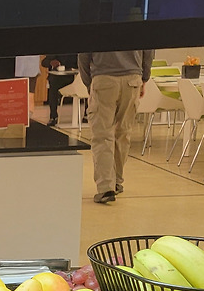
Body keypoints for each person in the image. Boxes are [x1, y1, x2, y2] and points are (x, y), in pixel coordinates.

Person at [77, 50, 153, 204]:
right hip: (133, 78)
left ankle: (106, 187)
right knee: (123, 133)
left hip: (103, 78)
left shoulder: (94, 29)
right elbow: (149, 51)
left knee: (102, 135)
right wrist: (144, 77)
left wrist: (89, 83)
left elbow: (83, 54)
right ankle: (117, 181)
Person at [41, 54, 77, 127]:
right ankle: (53, 116)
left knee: (88, 83)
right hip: (59, 79)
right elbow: (44, 62)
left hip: (75, 77)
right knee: (53, 84)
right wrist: (51, 62)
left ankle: (86, 114)